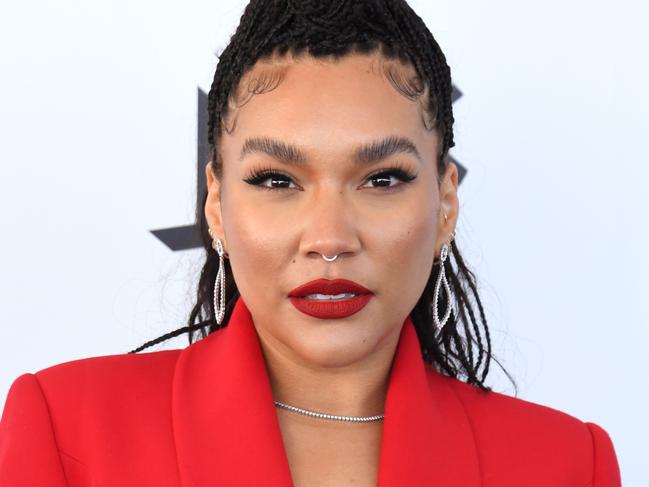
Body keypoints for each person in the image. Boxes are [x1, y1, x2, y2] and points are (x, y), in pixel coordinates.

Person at [0, 1, 621, 485]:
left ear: (445, 203)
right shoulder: (63, 428)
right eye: (276, 180)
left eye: (382, 179)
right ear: (216, 203)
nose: (329, 239)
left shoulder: (568, 464)